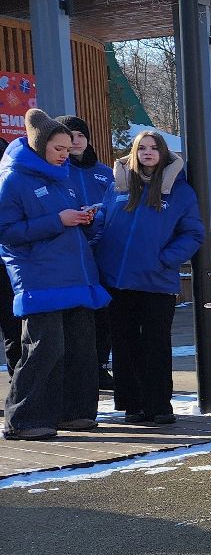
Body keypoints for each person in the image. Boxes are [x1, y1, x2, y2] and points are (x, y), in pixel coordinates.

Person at [0, 109, 109, 438]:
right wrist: (58, 220)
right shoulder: (13, 179)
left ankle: (74, 413)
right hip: (39, 276)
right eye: (59, 149)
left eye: (69, 148)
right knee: (44, 348)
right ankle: (24, 420)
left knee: (81, 348)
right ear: (39, 145)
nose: (67, 154)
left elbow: (70, 228)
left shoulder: (63, 179)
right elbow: (7, 231)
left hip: (77, 275)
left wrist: (88, 220)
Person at [97, 130, 204, 424]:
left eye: (153, 148)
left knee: (156, 344)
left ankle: (158, 406)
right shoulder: (117, 186)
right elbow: (103, 224)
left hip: (156, 282)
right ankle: (132, 405)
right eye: (141, 148)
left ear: (163, 153)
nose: (147, 152)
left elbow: (193, 233)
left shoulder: (180, 191)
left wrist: (164, 260)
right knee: (124, 342)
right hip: (117, 282)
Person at [57, 115, 115, 388]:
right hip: (69, 252)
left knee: (103, 311)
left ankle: (102, 367)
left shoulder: (105, 173)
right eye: (70, 135)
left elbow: (118, 206)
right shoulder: (55, 171)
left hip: (103, 251)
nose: (76, 140)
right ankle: (74, 370)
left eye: (81, 135)